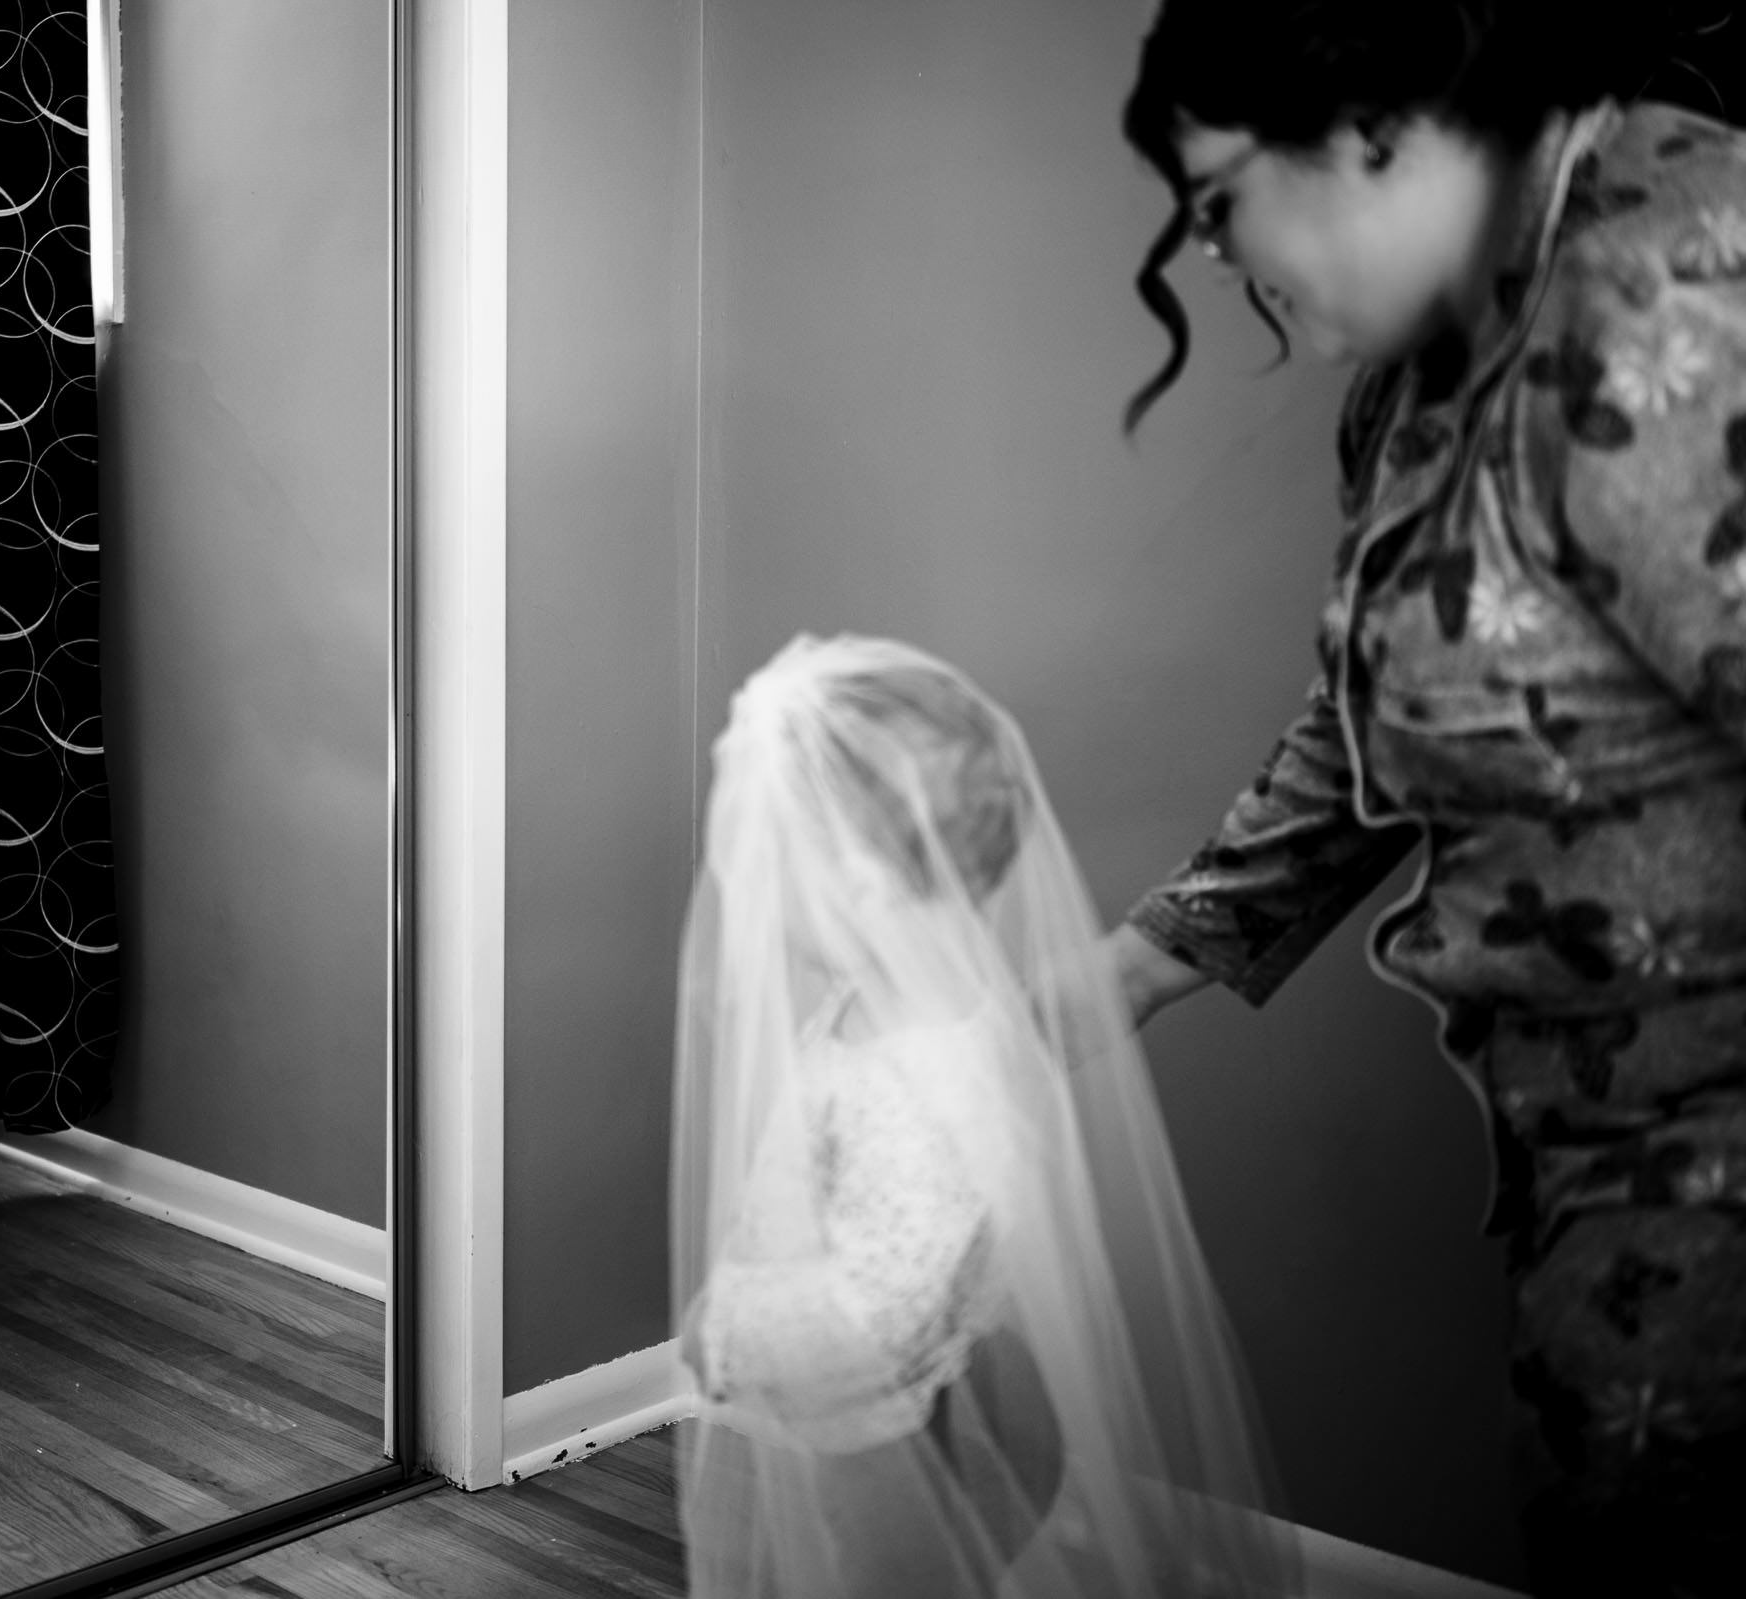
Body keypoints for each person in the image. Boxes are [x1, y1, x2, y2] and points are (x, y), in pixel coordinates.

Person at [1109, 3, 1746, 1591]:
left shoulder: (1667, 298)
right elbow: (1374, 715)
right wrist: (1114, 980)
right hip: (1597, 1168)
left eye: (1215, 200)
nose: (1226, 259)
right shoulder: (1424, 379)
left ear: (1367, 126)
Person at [671, 634, 1299, 1597]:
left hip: (886, 1426)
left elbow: (886, 1304)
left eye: (769, 854)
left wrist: (731, 1330)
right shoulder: (918, 1007)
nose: (748, 886)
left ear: (864, 883)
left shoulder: (914, 1071)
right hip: (923, 1389)